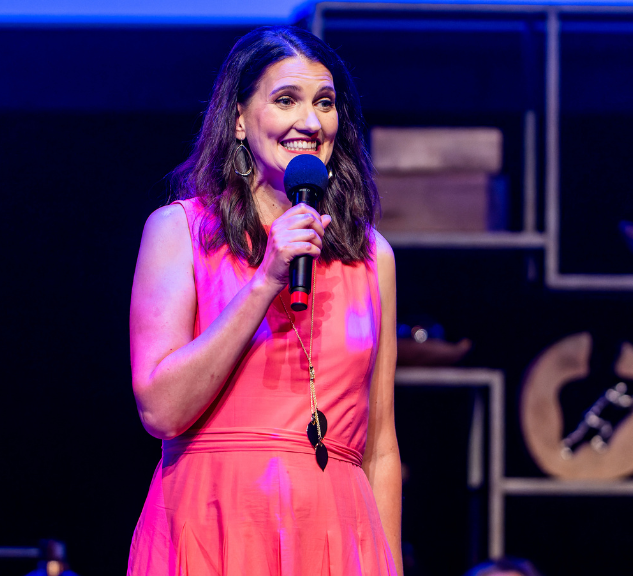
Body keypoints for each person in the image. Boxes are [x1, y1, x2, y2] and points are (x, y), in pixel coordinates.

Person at [126, 26, 402, 576]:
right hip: (212, 521)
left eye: (325, 103)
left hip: (335, 531)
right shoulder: (179, 230)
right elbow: (161, 409)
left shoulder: (372, 256)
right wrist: (265, 282)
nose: (310, 121)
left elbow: (381, 448)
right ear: (237, 119)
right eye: (285, 100)